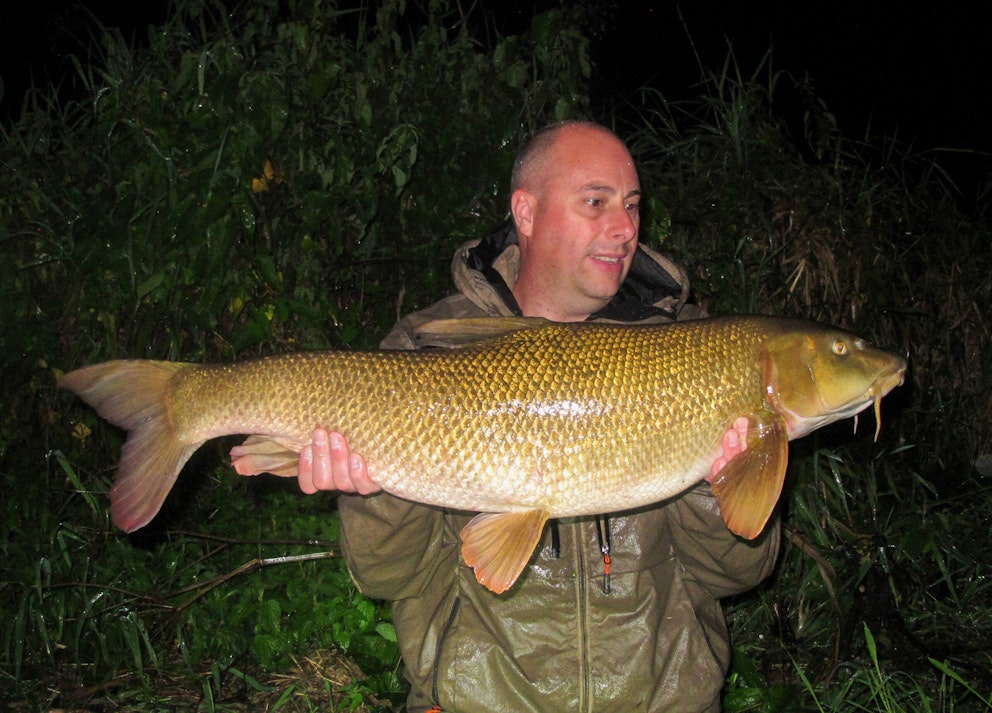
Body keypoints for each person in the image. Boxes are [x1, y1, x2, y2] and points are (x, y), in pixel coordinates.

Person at [294, 121, 779, 711]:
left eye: (631, 206)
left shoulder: (694, 350)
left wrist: (716, 482)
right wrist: (372, 492)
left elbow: (738, 574)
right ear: (525, 212)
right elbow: (386, 578)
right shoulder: (429, 346)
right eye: (595, 203)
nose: (625, 229)